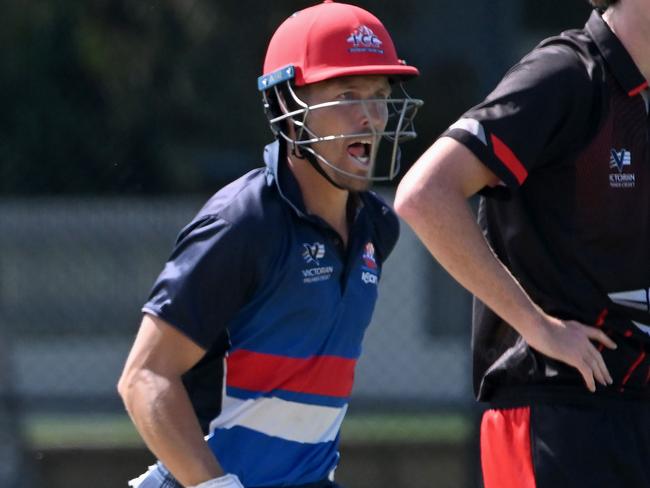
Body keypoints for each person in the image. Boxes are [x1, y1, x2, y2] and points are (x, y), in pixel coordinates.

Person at [118, 2, 422, 487]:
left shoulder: (377, 228)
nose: (372, 117)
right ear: (287, 105)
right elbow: (143, 377)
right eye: (347, 94)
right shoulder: (243, 223)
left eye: (379, 95)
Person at [395, 1, 649, 487]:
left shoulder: (636, 99)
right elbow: (425, 195)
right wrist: (538, 326)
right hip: (558, 414)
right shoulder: (566, 73)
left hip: (628, 409)